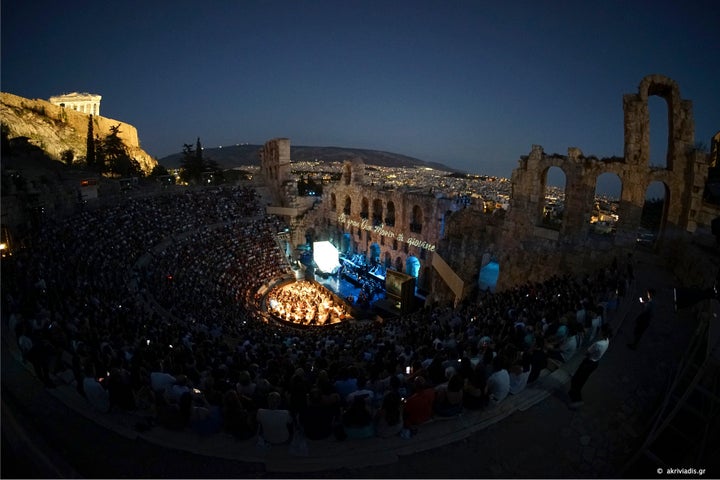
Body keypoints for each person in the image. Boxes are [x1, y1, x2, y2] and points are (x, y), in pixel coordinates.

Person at [568, 323, 612, 408]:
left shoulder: (598, 344)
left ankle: (577, 399)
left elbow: (587, 352)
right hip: (595, 363)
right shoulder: (607, 341)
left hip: (588, 363)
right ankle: (573, 393)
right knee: (581, 380)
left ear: (602, 332)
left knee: (576, 381)